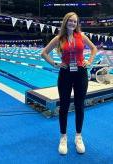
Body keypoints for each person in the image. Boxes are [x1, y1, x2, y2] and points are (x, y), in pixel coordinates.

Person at [41, 12, 97, 155]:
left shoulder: (81, 36)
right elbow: (44, 53)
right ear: (65, 22)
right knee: (64, 107)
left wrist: (89, 61)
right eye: (70, 21)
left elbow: (94, 48)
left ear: (77, 23)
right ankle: (63, 137)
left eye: (75, 21)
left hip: (80, 73)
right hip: (65, 74)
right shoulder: (59, 38)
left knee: (79, 106)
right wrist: (55, 64)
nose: (72, 23)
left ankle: (78, 136)